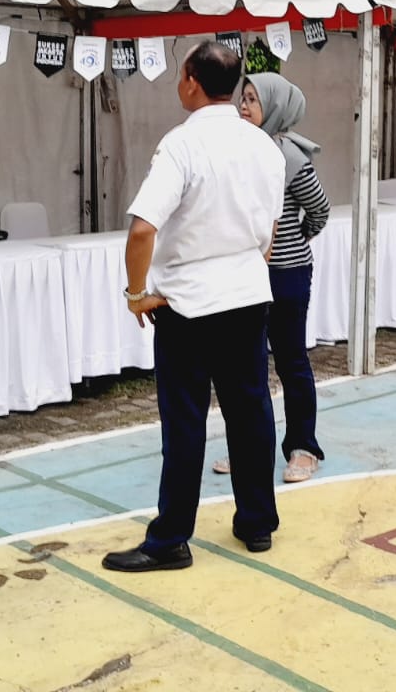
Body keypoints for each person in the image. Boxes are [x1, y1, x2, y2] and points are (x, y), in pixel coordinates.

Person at [103, 41, 286, 574]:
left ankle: (171, 538)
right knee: (250, 412)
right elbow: (269, 231)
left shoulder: (182, 145)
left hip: (188, 304)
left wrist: (137, 293)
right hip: (247, 296)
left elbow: (142, 229)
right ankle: (257, 522)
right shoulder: (264, 147)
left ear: (189, 80)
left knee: (184, 422)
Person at [213, 72, 329, 483]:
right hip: (244, 274)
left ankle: (303, 448)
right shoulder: (232, 152)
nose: (243, 106)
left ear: (275, 108)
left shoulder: (293, 161)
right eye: (241, 98)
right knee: (245, 365)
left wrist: (290, 244)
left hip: (286, 275)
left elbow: (320, 212)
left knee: (291, 360)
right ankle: (248, 447)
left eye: (252, 100)